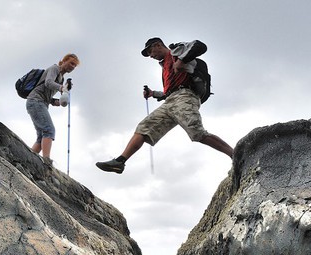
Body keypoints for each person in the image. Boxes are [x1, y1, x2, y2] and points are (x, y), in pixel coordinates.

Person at [96, 38, 233, 174]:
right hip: (170, 101)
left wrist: (181, 60)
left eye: (151, 51)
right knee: (143, 128)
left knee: (197, 133)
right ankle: (120, 162)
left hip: (185, 96)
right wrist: (153, 93)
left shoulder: (177, 51)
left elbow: (200, 46)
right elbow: (169, 91)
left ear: (158, 45)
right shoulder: (164, 67)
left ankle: (234, 154)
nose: (151, 56)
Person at [26, 53, 79, 166]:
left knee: (41, 137)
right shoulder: (54, 68)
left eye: (74, 66)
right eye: (71, 63)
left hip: (40, 102)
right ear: (64, 61)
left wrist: (56, 101)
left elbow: (46, 92)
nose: (72, 67)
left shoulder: (61, 78)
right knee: (49, 130)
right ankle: (46, 161)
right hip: (36, 101)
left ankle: (28, 162)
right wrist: (62, 88)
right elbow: (48, 82)